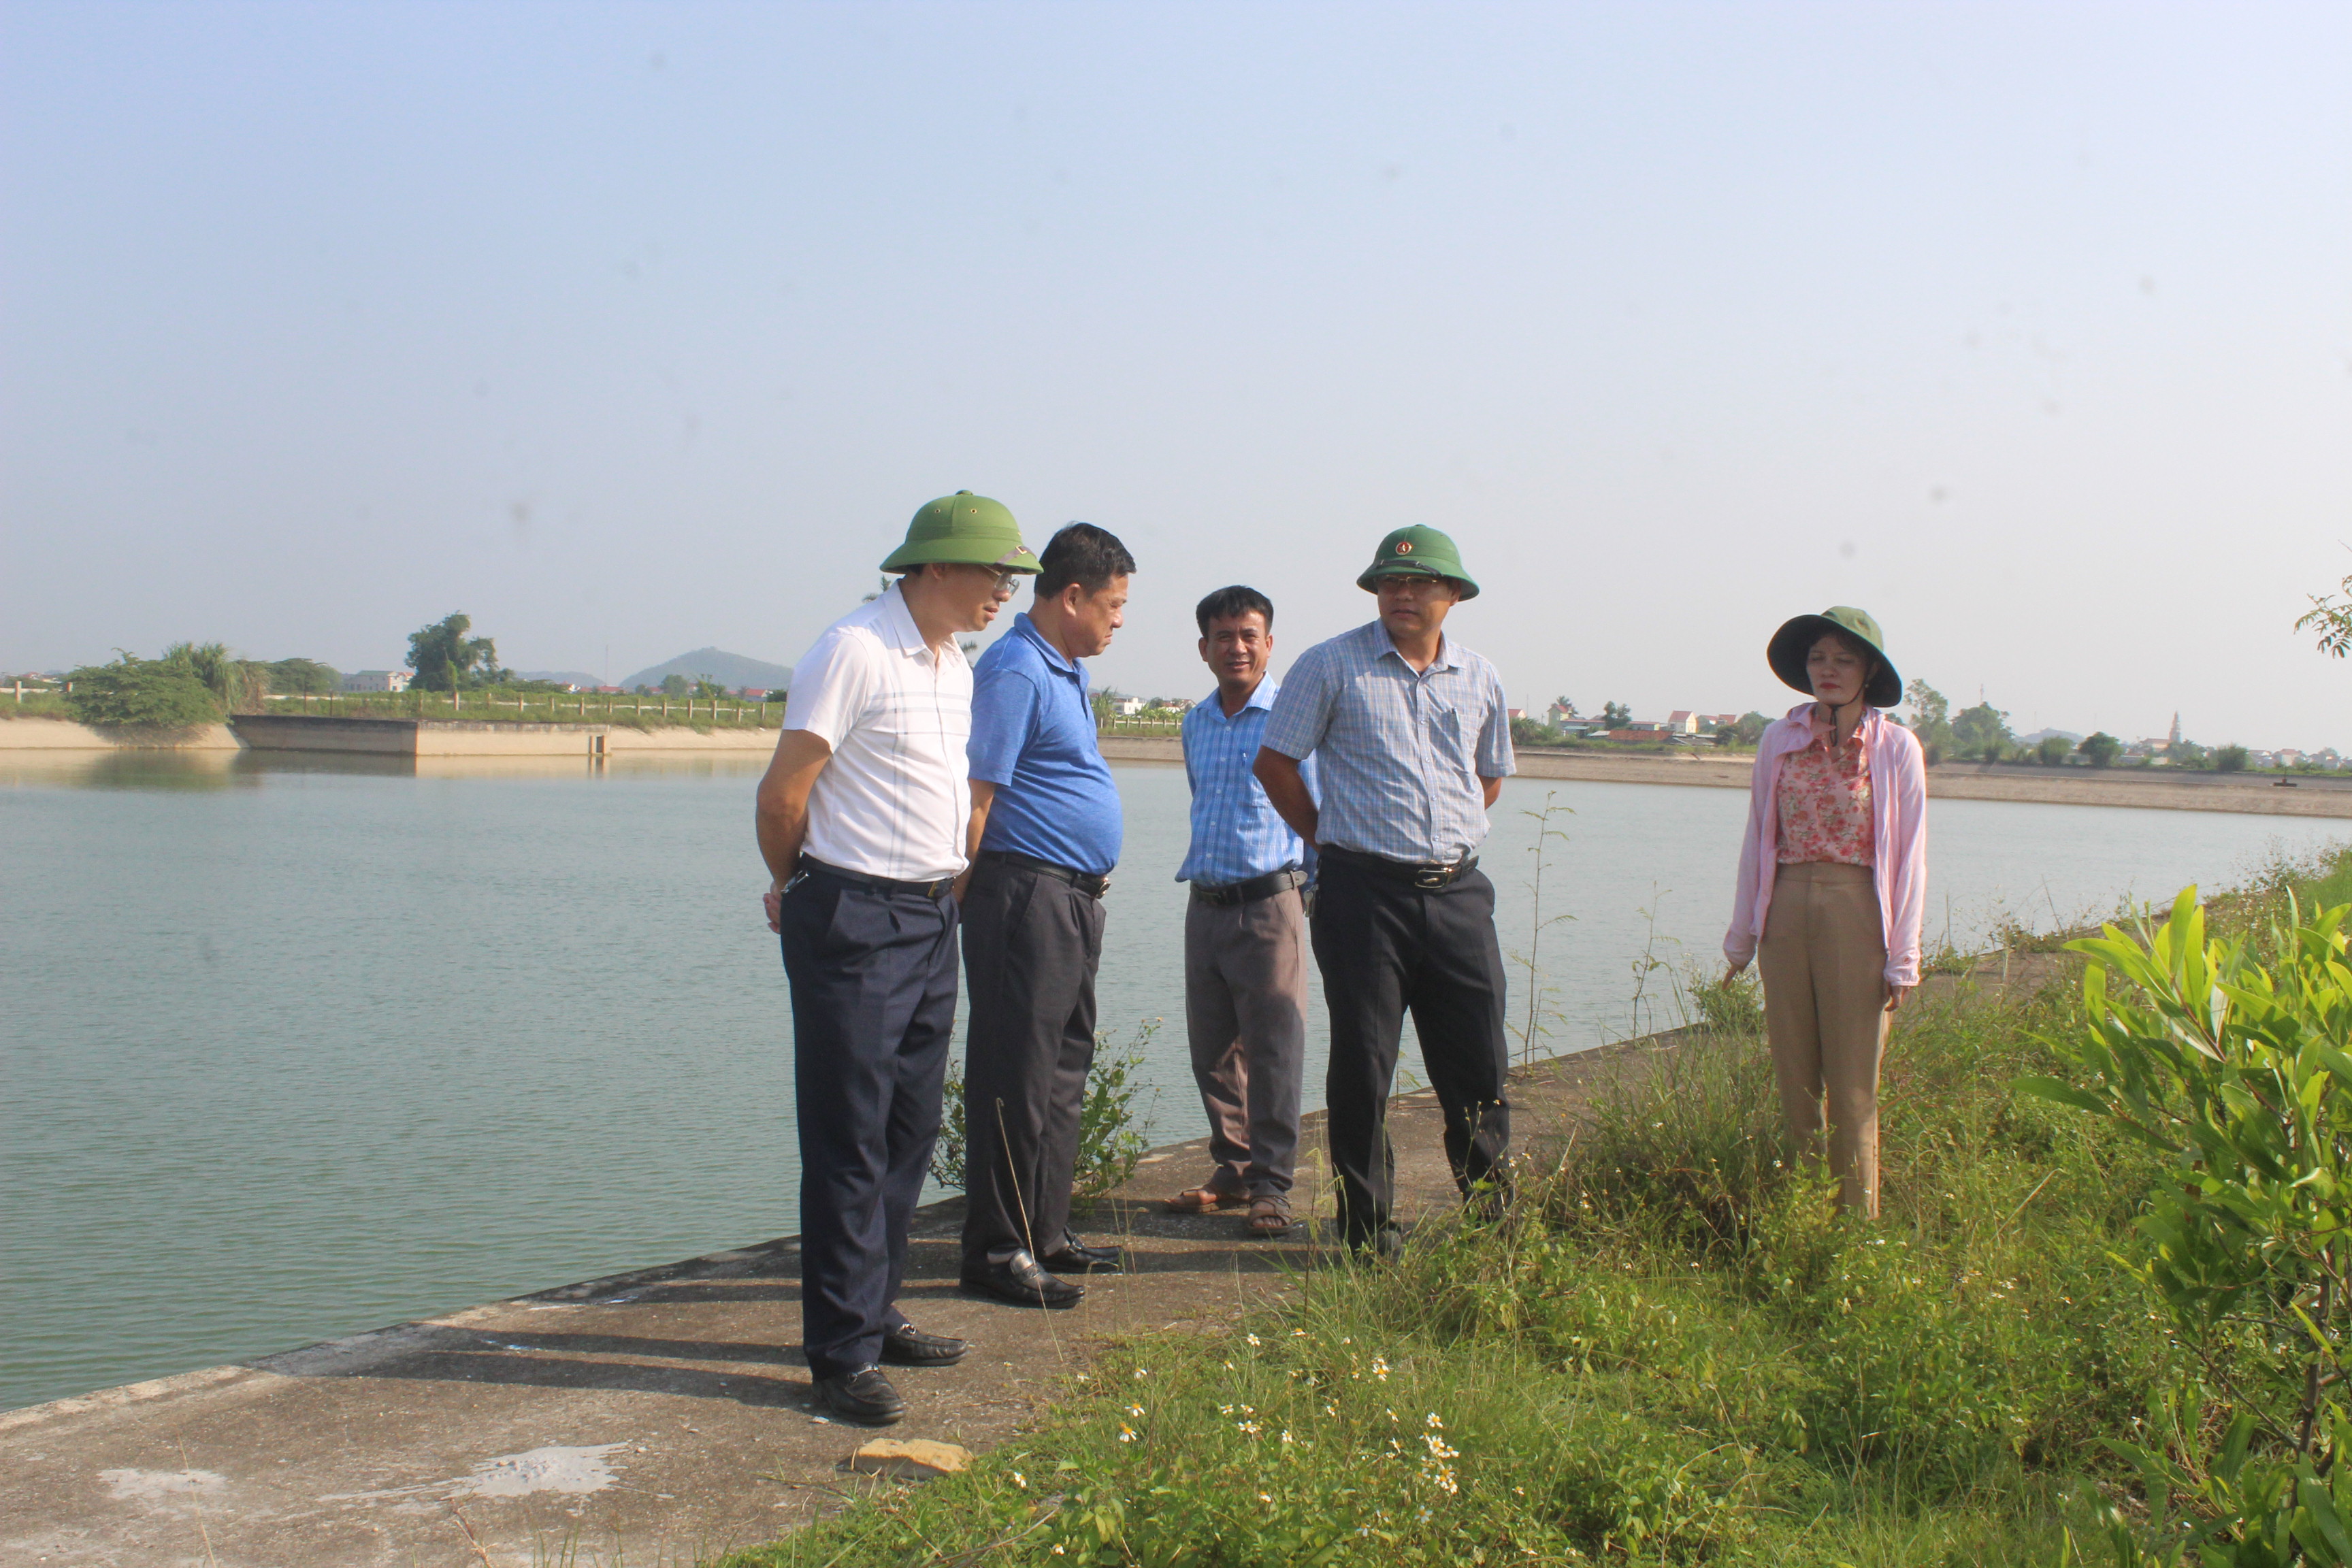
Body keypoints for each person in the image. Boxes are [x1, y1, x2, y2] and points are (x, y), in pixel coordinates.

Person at [754, 490, 1039, 1426]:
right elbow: (784, 794)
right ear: (934, 566)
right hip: (854, 913)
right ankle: (840, 1355)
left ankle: (875, 1313)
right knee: (850, 1135)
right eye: (996, 573)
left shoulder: (954, 663)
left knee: (910, 1129)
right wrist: (797, 885)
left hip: (928, 915)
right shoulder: (855, 650)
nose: (1004, 592)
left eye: (1012, 579)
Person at [1254, 525, 1515, 1257]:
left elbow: (1487, 778)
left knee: (1479, 1064)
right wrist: (1330, 839)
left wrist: (1445, 835)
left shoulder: (1481, 676)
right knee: (1364, 1067)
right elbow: (1275, 765)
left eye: (1421, 582)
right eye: (1390, 582)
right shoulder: (1329, 665)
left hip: (1459, 895)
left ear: (1453, 594)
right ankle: (1369, 1235)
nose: (1403, 594)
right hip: (1363, 895)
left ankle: (1493, 1224)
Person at [958, 522, 1136, 1308]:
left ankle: (1045, 1231)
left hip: (1071, 898)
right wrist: (962, 903)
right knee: (1015, 1077)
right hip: (1024, 895)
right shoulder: (1017, 671)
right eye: (1113, 604)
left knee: (1063, 1069)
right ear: (1071, 597)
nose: (1119, 620)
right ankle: (998, 1251)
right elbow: (975, 799)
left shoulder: (1066, 670)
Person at [1721, 606, 1927, 1219]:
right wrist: (1742, 938)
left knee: (1854, 1086)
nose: (1828, 670)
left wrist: (1903, 959)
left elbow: (1910, 857)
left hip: (1857, 910)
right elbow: (1758, 836)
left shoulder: (1895, 748)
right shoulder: (1779, 740)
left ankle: (1856, 1232)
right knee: (1795, 1082)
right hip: (1785, 909)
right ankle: (1803, 1220)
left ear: (1869, 671)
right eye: (1818, 658)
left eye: (1844, 659)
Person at [1166, 586, 1316, 1238]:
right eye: (1223, 637)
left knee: (1274, 1049)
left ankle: (1272, 1186)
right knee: (1213, 1050)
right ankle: (1233, 1166)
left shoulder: (1292, 720)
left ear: (1269, 644)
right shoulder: (1196, 722)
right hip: (1206, 904)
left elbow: (1317, 817)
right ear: (1204, 648)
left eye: (1249, 635)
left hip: (1269, 905)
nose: (1237, 648)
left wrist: (1308, 898)